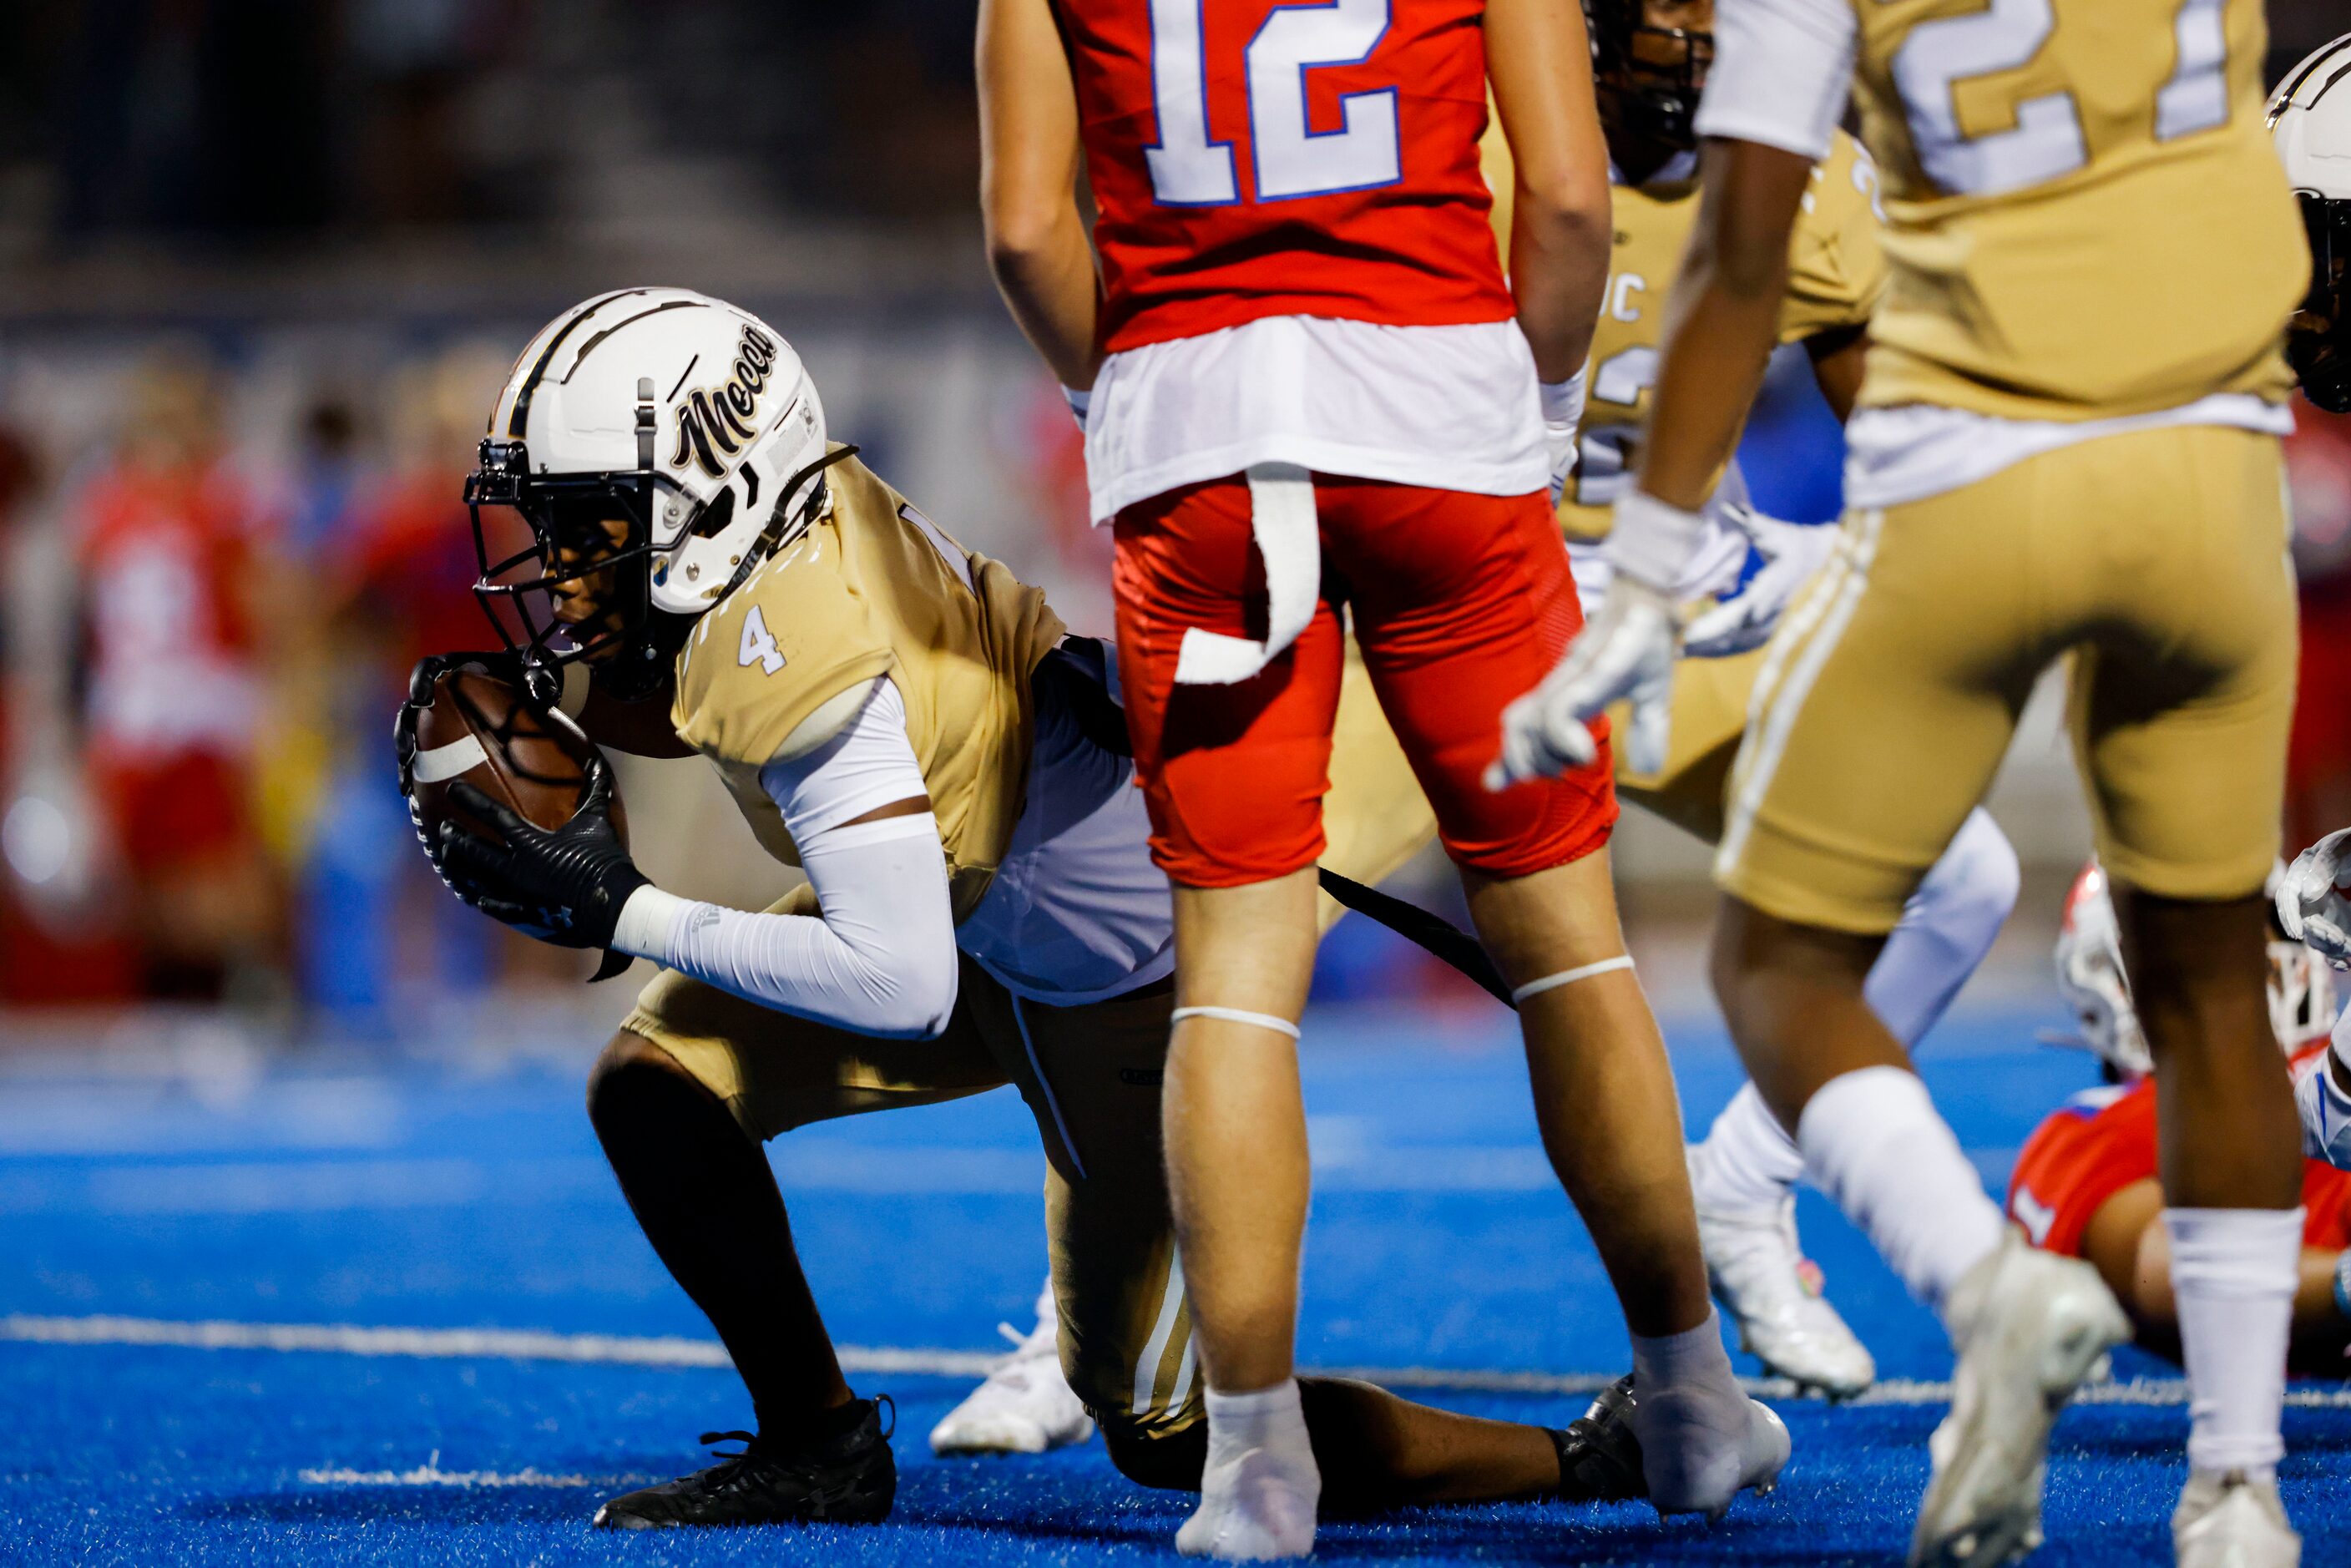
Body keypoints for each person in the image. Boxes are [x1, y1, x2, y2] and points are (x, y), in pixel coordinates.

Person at [403, 290, 1661, 1532]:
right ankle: (816, 1446)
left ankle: (1588, 1459)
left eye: (590, 527)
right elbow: (732, 711)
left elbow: (897, 983)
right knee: (655, 1085)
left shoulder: (800, 649)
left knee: (1167, 1431)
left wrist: (623, 906)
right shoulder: (794, 520)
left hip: (1112, 981)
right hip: (991, 904)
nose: (560, 570)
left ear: (711, 498)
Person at [1493, 0, 2313, 1560]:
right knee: (2211, 991)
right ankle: (2238, 1486)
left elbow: (1742, 254)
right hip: (2214, 471)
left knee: (1779, 957)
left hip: (1976, 466)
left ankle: (1985, 1289)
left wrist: (1650, 573)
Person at [976, 0, 1785, 1553]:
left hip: (1202, 453)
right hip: (1441, 429)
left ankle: (1258, 1465)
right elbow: (1560, 196)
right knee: (1569, 950)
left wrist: (1134, 398)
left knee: (1233, 982)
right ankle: (1688, 1400)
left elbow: (1025, 231)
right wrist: (1532, 411)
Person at [2016, 862, 2351, 1374]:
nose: (2256, 957)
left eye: (2262, 927)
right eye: (2213, 940)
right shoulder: (2118, 1121)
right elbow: (2170, 1267)